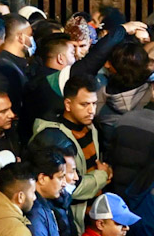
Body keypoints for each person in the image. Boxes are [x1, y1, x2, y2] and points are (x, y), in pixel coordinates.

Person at [33, 74, 111, 224]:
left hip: (92, 213)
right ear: (68, 104)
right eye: (84, 104)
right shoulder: (52, 138)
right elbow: (65, 185)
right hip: (71, 217)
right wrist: (102, 176)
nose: (91, 110)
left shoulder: (92, 128)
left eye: (94, 104)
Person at [104, 68, 154, 191]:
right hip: (149, 199)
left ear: (152, 91)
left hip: (117, 194)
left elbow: (110, 156)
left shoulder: (124, 119)